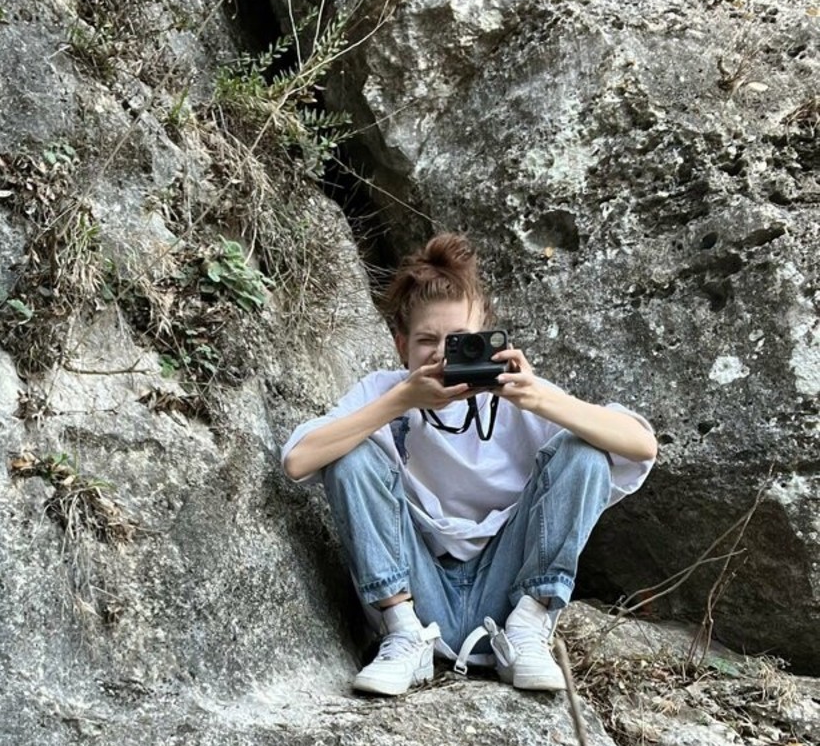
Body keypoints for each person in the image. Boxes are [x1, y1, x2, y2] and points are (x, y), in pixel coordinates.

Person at [281, 232, 658, 697]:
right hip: (418, 591)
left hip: (508, 588)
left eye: (459, 341)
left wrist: (540, 400)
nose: (442, 354)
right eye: (426, 340)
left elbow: (641, 445)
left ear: (485, 337)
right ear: (401, 345)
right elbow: (298, 461)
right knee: (350, 453)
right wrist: (401, 401)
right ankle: (403, 635)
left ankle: (529, 630)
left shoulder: (521, 395)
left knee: (584, 450)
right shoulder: (386, 390)